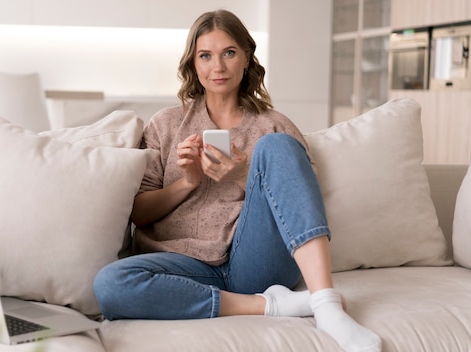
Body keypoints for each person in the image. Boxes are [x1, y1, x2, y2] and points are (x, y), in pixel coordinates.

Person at [93, 9, 381, 352]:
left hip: (255, 262)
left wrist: (243, 174)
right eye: (205, 55)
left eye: (229, 52)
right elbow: (139, 214)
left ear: (246, 57)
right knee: (111, 283)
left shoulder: (274, 125)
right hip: (181, 267)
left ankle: (327, 307)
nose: (218, 66)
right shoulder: (165, 125)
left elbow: (300, 208)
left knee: (277, 146)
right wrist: (188, 182)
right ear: (193, 64)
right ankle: (275, 305)